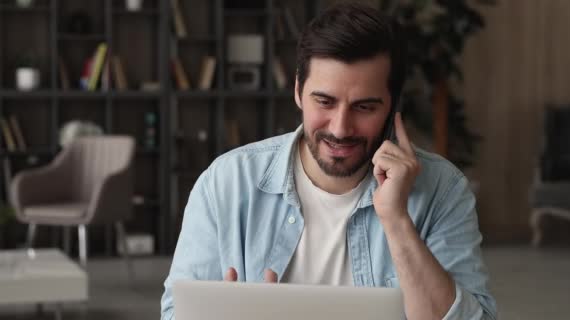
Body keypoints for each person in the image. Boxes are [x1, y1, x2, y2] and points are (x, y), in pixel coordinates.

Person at [161, 3, 497, 320]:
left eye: (364, 107)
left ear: (393, 106)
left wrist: (396, 221)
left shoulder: (442, 189)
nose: (340, 128)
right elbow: (176, 312)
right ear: (297, 91)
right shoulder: (227, 182)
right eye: (324, 101)